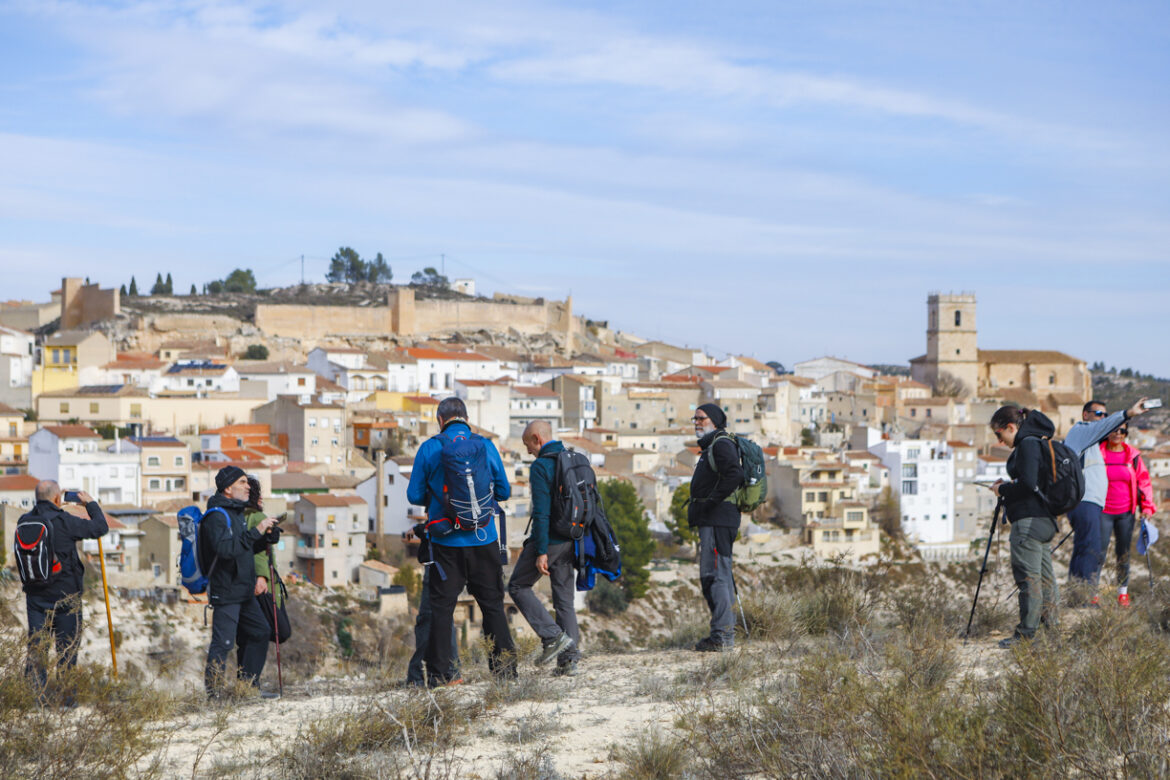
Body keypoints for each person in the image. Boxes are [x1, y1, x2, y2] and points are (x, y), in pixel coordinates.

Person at [406, 397, 515, 686]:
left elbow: (414, 496)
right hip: (485, 538)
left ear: (440, 420)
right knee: (492, 605)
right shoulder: (486, 446)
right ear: (466, 418)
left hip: (446, 543)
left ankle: (444, 675)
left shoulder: (430, 447)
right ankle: (504, 671)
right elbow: (503, 491)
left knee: (442, 609)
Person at [20, 481, 108, 702]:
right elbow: (100, 528)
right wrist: (91, 504)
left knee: (38, 650)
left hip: (36, 598)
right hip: (66, 597)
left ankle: (35, 700)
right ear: (58, 499)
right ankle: (67, 702)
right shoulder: (64, 521)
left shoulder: (24, 521)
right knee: (67, 651)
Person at [507, 421, 580, 676]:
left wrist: (540, 551)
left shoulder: (541, 466)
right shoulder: (572, 458)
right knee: (564, 602)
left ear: (537, 438)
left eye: (528, 445)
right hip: (572, 540)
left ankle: (552, 637)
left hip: (550, 540)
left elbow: (541, 512)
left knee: (517, 585)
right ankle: (569, 661)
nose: (528, 451)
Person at [202, 465, 278, 697]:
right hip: (226, 590)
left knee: (259, 632)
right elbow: (225, 550)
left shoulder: (235, 512)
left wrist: (265, 538)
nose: (248, 487)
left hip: (243, 589)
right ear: (227, 488)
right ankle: (214, 696)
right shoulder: (216, 516)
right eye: (243, 483)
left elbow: (242, 548)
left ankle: (248, 689)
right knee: (223, 643)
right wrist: (256, 532)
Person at [1063, 398, 1149, 604]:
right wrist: (1129, 412)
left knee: (1086, 548)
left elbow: (1143, 480)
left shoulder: (1096, 441)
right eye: (1099, 414)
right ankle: (1085, 598)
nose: (1103, 419)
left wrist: (1146, 506)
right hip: (1088, 502)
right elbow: (1105, 428)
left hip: (1103, 506)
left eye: (1105, 415)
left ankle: (1078, 595)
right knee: (1092, 549)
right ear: (1086, 415)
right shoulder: (1084, 431)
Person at [990, 406, 1061, 648]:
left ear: (1011, 427)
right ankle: (1052, 632)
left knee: (1029, 579)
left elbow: (1029, 484)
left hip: (1029, 522)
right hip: (1045, 520)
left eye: (999, 434)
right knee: (1045, 578)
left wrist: (1003, 489)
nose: (999, 441)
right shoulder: (1039, 441)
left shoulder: (1028, 444)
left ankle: (1026, 635)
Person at [687, 402, 744, 652]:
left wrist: (711, 502)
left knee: (717, 577)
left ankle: (722, 637)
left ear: (715, 421)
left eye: (702, 418)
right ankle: (722, 633)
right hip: (714, 520)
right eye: (695, 419)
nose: (697, 422)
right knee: (715, 576)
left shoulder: (721, 444)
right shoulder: (714, 445)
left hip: (718, 520)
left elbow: (735, 474)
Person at [1098, 424, 1157, 607]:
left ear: (1126, 434)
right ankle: (1092, 592)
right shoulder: (1098, 454)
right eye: (1114, 429)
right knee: (1098, 552)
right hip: (1102, 511)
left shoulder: (1133, 456)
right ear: (1107, 432)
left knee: (1122, 553)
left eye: (1122, 431)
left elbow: (1144, 482)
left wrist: (1147, 507)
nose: (1117, 433)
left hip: (1126, 512)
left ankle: (1122, 593)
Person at [404, 531, 460, 687]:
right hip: (452, 558)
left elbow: (435, 515)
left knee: (427, 619)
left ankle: (420, 677)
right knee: (443, 616)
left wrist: (420, 529)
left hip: (439, 560)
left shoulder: (439, 507)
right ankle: (449, 672)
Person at [245, 475, 283, 665]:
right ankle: (251, 683)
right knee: (265, 631)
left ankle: (247, 682)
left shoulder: (240, 516)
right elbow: (260, 552)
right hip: (261, 584)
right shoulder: (258, 517)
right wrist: (262, 576)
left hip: (244, 581)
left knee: (247, 635)